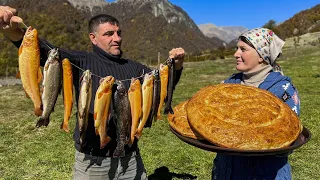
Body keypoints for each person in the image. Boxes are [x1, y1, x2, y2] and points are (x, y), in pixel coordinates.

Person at [0, 5, 185, 180]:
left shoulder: (134, 68)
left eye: (119, 33)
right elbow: (41, 51)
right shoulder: (80, 61)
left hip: (131, 159)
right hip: (93, 162)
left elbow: (162, 89)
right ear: (93, 38)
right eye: (109, 34)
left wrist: (175, 66)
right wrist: (10, 29)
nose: (117, 38)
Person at [212, 28, 300, 180]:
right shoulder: (229, 84)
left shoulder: (282, 90)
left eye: (243, 49)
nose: (236, 54)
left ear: (261, 56)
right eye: (237, 48)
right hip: (227, 171)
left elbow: (290, 136)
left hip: (264, 174)